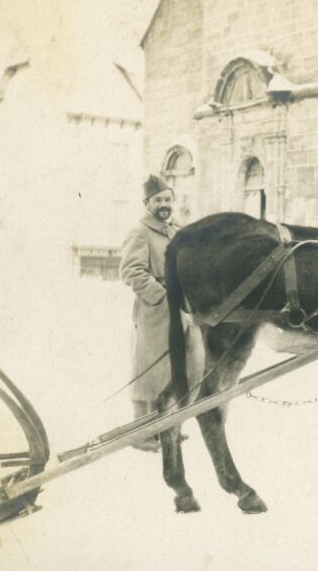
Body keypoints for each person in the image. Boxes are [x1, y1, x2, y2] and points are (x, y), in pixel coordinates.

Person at [120, 175, 191, 451]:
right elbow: (131, 271)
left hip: (179, 308)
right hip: (153, 310)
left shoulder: (175, 230)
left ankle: (165, 428)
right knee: (148, 368)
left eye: (168, 199)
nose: (164, 205)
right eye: (158, 200)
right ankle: (141, 433)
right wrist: (161, 296)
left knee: (174, 368)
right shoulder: (140, 232)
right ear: (146, 203)